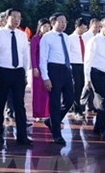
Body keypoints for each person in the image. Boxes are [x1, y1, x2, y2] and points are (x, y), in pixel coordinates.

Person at [0, 9, 32, 146]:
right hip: (1, 72)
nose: (16, 20)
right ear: (7, 18)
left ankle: (22, 135)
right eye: (14, 17)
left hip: (18, 72)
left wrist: (25, 72)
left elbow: (25, 55)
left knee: (19, 105)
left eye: (19, 17)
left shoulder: (22, 35)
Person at [39, 13, 75, 145]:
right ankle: (57, 134)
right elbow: (42, 59)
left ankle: (52, 121)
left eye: (65, 21)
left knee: (70, 99)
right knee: (54, 103)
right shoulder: (47, 37)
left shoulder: (66, 37)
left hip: (65, 70)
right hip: (53, 70)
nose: (63, 24)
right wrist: (45, 77)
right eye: (60, 21)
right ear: (53, 22)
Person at [30, 18, 51, 120]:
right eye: (44, 26)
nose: (47, 28)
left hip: (48, 67)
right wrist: (34, 67)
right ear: (40, 27)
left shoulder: (51, 38)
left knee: (47, 91)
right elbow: (33, 54)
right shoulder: (35, 39)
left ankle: (47, 113)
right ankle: (38, 114)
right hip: (38, 67)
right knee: (38, 92)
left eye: (48, 26)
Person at [68, 18, 88, 118]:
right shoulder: (70, 38)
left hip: (84, 65)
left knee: (83, 87)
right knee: (77, 87)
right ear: (76, 27)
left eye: (84, 29)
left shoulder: (85, 38)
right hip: (74, 65)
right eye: (81, 28)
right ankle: (77, 110)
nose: (83, 30)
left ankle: (78, 106)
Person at [80, 18, 100, 113]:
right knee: (87, 85)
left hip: (96, 64)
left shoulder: (99, 36)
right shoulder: (85, 36)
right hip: (86, 63)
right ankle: (81, 104)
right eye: (95, 26)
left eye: (98, 27)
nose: (97, 28)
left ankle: (91, 105)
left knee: (94, 86)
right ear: (90, 26)